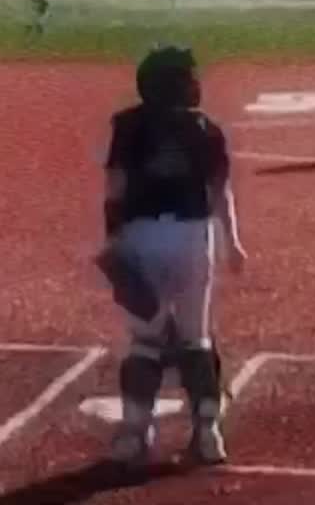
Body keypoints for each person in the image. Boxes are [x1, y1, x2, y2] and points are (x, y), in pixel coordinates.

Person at [98, 45, 246, 468]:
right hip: (193, 236)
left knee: (145, 340)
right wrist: (233, 242)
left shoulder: (126, 125)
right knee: (194, 336)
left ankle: (134, 435)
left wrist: (113, 240)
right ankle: (207, 432)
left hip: (140, 235)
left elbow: (115, 189)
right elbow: (220, 194)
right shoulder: (207, 129)